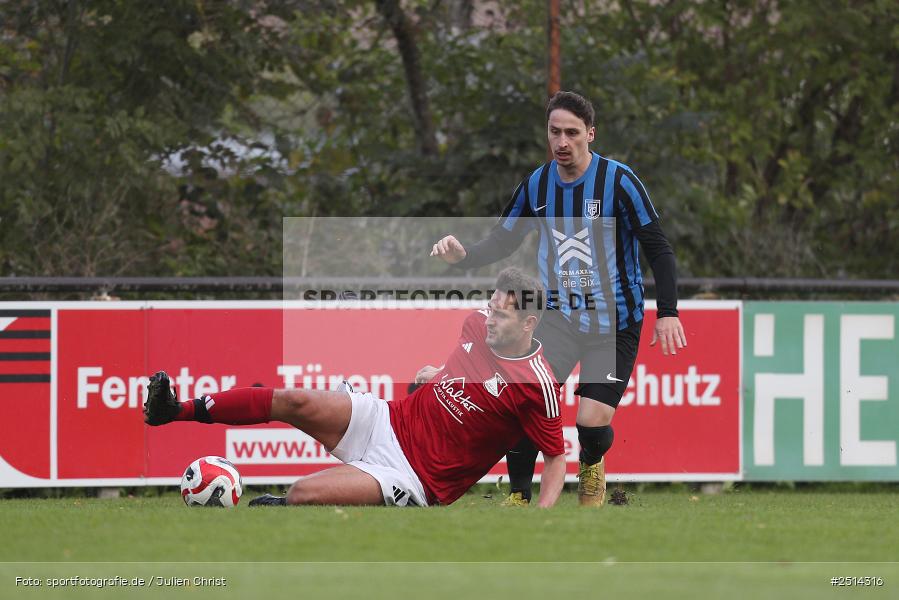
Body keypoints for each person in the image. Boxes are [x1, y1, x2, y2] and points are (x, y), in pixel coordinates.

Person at [430, 91, 687, 507]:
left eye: (571, 132)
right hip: (559, 320)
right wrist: (466, 257)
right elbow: (504, 239)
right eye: (555, 132)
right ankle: (519, 496)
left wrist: (668, 312)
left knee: (590, 421)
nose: (562, 141)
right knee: (520, 402)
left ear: (591, 134)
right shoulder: (537, 184)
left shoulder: (619, 182)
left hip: (613, 326)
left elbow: (659, 248)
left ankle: (591, 465)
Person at [143, 268, 566, 508]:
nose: (489, 319)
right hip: (387, 419)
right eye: (490, 308)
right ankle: (174, 411)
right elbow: (467, 373)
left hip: (414, 477)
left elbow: (555, 459)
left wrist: (544, 523)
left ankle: (282, 507)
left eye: (502, 316)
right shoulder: (476, 323)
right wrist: (437, 374)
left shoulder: (537, 384)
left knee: (302, 493)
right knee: (293, 399)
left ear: (529, 324)